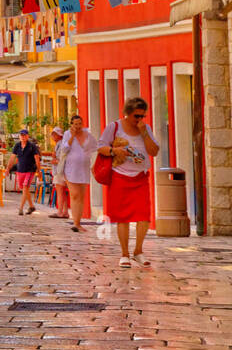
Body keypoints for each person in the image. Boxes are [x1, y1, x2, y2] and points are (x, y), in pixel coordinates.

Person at [98, 97, 159, 267]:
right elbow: (101, 146)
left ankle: (138, 251)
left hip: (140, 177)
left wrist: (144, 132)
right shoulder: (114, 127)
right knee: (122, 217)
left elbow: (154, 151)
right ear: (127, 114)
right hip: (119, 176)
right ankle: (124, 254)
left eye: (142, 116)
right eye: (136, 116)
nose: (139, 120)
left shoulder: (145, 129)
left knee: (144, 216)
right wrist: (114, 150)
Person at [60, 114, 97, 232]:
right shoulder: (67, 134)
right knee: (74, 194)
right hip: (71, 168)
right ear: (72, 124)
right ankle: (75, 222)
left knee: (81, 196)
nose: (78, 126)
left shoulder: (87, 134)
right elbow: (64, 149)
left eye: (79, 124)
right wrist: (72, 136)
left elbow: (94, 147)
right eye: (75, 124)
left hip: (84, 168)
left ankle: (78, 223)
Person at [8, 127, 42, 214]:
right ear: (19, 136)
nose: (23, 137)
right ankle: (31, 206)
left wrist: (39, 170)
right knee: (24, 188)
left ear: (27, 136)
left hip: (30, 170)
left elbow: (37, 159)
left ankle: (21, 208)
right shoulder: (17, 146)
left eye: (24, 135)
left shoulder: (32, 146)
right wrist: (8, 168)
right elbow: (12, 158)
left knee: (25, 187)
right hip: (20, 170)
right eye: (21, 135)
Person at [49, 126, 69, 218]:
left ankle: (60, 211)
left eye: (54, 134)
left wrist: (54, 160)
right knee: (63, 192)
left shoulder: (60, 145)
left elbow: (62, 159)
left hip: (60, 170)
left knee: (60, 191)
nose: (52, 136)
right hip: (61, 170)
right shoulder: (59, 144)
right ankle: (65, 212)